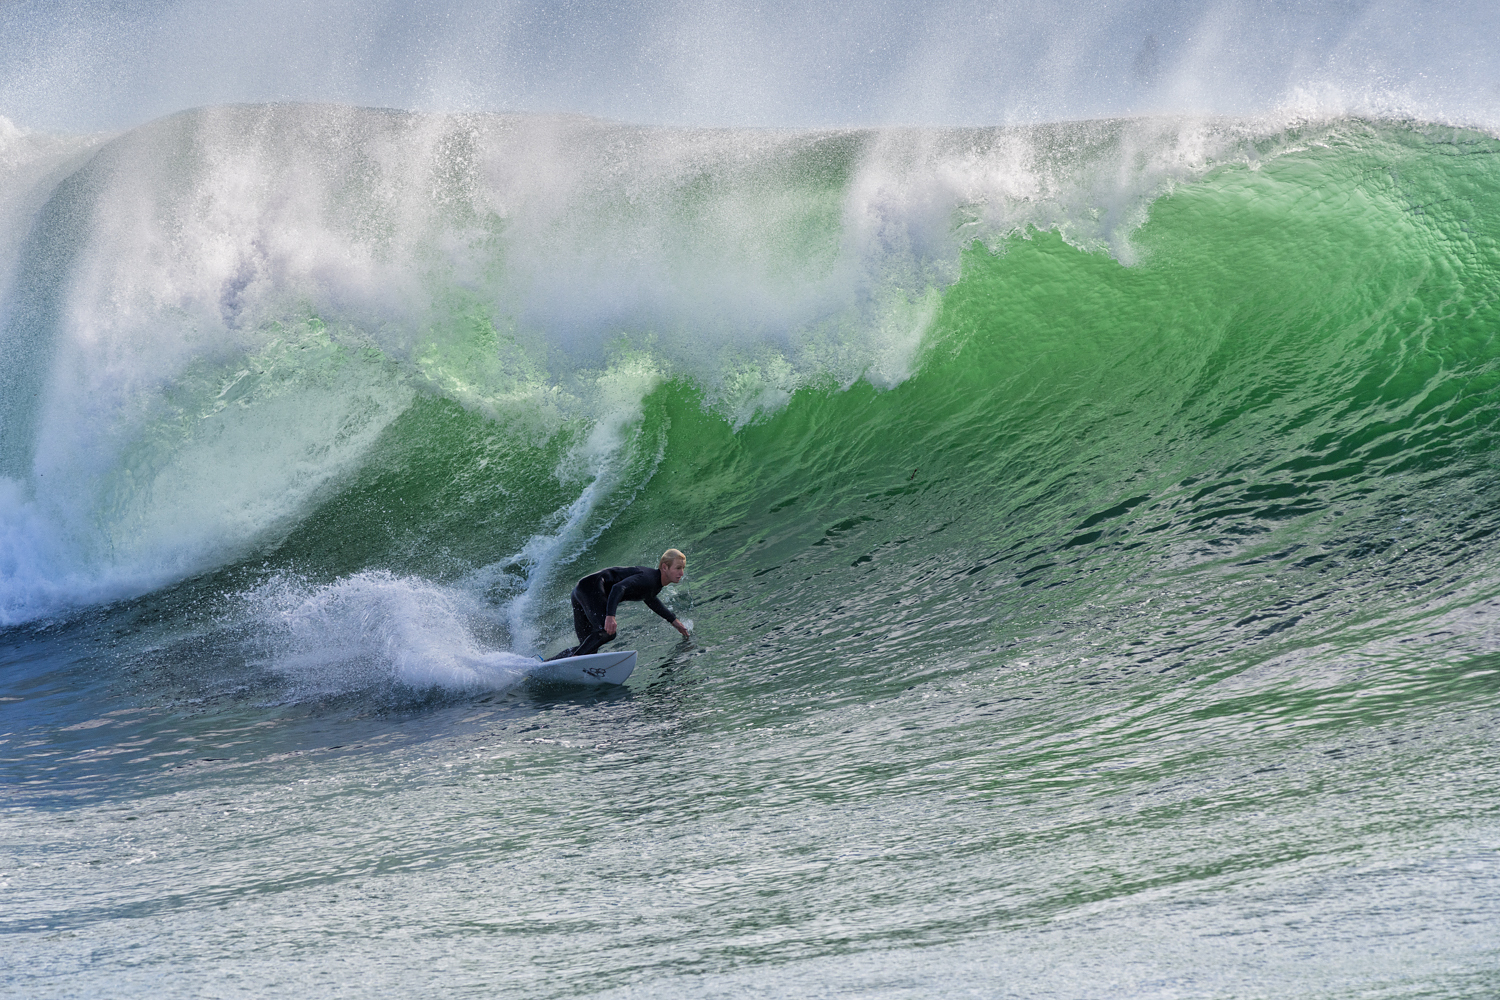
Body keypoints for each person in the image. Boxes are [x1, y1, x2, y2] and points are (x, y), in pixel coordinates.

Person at [546, 549, 691, 660]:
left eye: (683, 568)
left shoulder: (653, 583)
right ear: (664, 567)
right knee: (607, 632)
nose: (681, 573)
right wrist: (610, 616)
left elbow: (650, 599)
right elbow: (618, 588)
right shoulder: (649, 579)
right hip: (591, 588)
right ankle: (574, 661)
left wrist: (673, 621)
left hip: (583, 589)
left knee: (589, 647)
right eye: (678, 568)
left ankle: (549, 663)